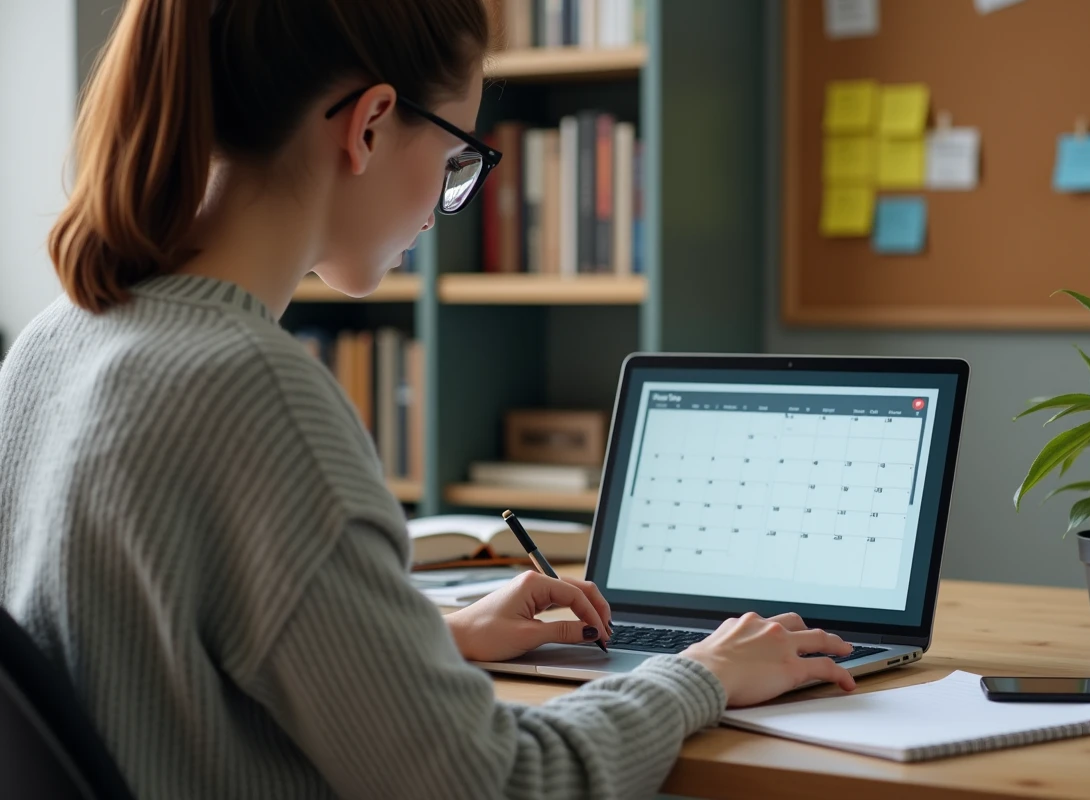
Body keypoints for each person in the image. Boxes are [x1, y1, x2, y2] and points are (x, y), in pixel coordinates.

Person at [0, 1, 856, 798]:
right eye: (457, 159)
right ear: (369, 124)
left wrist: (430, 643)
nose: (449, 202)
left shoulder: (56, 339)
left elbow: (145, 678)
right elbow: (499, 783)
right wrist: (701, 676)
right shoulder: (256, 395)